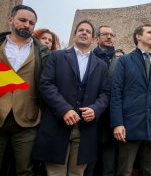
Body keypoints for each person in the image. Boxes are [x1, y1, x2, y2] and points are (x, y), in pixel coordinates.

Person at [32, 20, 110, 176]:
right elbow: (46, 84)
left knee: (77, 173)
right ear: (74, 35)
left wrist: (95, 109)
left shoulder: (101, 65)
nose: (84, 32)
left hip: (85, 129)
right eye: (80, 30)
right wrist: (64, 109)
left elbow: (105, 93)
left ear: (94, 39)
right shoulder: (56, 56)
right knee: (55, 173)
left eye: (88, 31)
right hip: (57, 124)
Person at [110, 24, 151, 176]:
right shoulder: (125, 61)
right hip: (129, 125)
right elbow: (116, 93)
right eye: (150, 32)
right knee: (124, 171)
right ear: (138, 37)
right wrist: (117, 123)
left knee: (149, 171)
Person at [0, 5, 50, 176]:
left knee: (25, 171)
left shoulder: (43, 53)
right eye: (23, 20)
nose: (27, 25)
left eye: (31, 23)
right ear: (10, 19)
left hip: (28, 121)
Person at [90, 25, 118, 176]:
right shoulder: (87, 57)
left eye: (112, 35)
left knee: (108, 168)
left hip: (110, 119)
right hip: (90, 117)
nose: (109, 37)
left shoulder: (120, 61)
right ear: (96, 38)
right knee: (89, 165)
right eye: (105, 34)